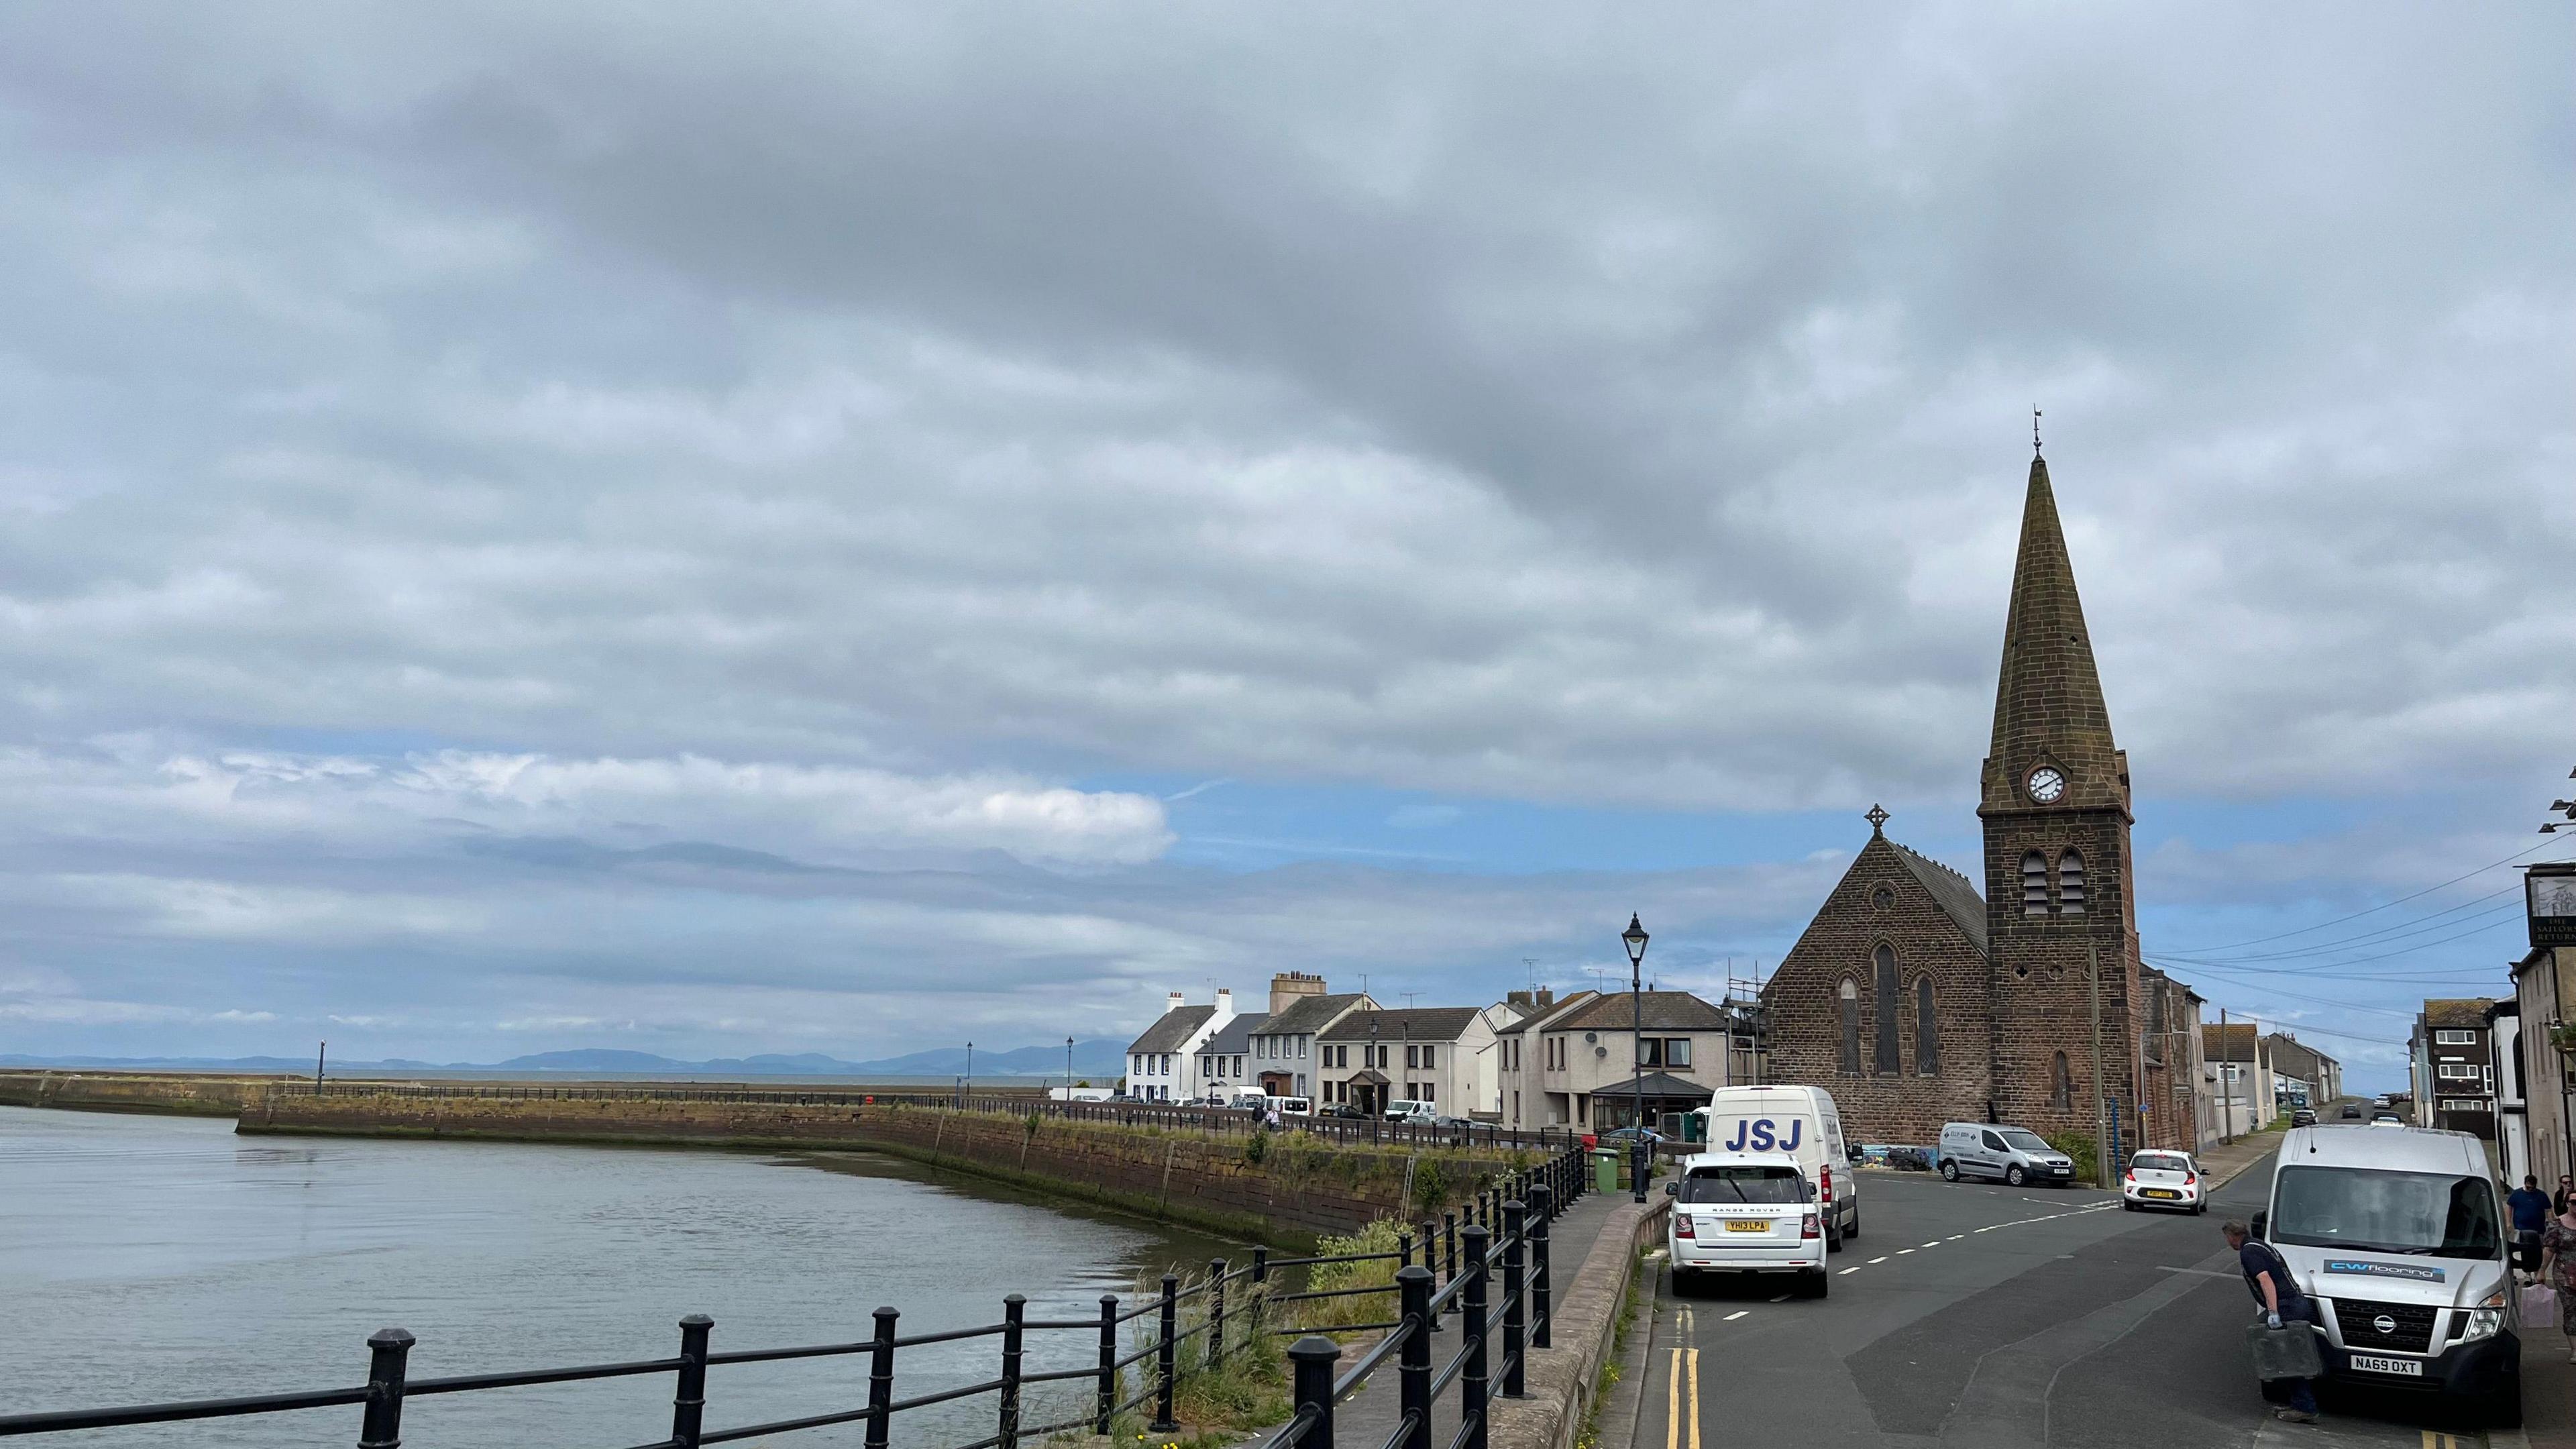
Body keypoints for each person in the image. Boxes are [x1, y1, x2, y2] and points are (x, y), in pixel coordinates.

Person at [2224, 1219, 2318, 1424]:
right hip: (2296, 1302)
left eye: (2227, 1238)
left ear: (2231, 1237)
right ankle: (2298, 1402)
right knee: (2290, 1355)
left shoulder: (2249, 1252)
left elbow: (2265, 1279)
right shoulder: (2260, 1245)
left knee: (2289, 1358)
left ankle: (2305, 1407)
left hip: (2287, 1306)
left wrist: (2274, 1312)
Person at [2542, 1197, 2576, 1364]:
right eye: (2574, 1202)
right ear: (2568, 1204)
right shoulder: (2557, 1225)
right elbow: (2549, 1249)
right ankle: (2575, 1349)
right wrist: (2541, 1271)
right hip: (2565, 1274)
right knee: (2571, 1309)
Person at [2511, 1175, 2553, 1274]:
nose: (2530, 1190)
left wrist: (2552, 1224)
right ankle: (2527, 1274)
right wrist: (2509, 1223)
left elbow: (2548, 1210)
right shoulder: (2517, 1194)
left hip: (2538, 1229)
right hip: (2521, 1228)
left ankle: (2537, 1273)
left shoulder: (2541, 1195)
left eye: (2532, 1188)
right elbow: (2510, 1206)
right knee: (2525, 1252)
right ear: (2525, 1184)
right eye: (2528, 1187)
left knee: (2538, 1251)